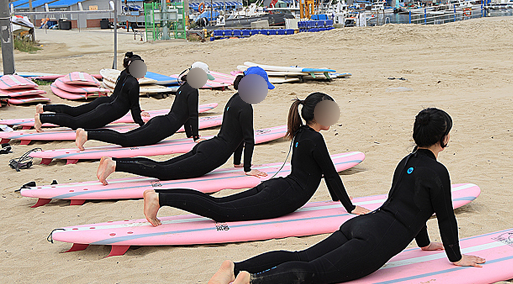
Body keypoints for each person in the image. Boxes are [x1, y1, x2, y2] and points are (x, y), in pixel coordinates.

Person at [205, 108, 485, 284]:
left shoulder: (407, 162)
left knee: (302, 256)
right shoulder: (437, 172)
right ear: (444, 138)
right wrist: (456, 257)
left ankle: (235, 267)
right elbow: (445, 218)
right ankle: (250, 283)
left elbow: (409, 205)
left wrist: (424, 244)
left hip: (362, 224)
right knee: (313, 272)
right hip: (373, 243)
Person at [141, 92, 370, 226]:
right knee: (220, 211)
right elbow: (329, 172)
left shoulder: (302, 133)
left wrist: (334, 199)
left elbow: (322, 172)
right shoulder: (314, 140)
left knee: (219, 203)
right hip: (283, 196)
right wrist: (349, 207)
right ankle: (160, 199)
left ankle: (160, 196)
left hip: (278, 187)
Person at [95, 66, 274, 184]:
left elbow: (236, 135)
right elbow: (248, 139)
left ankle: (115, 163)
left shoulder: (235, 100)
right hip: (211, 156)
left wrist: (237, 164)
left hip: (209, 146)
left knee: (163, 166)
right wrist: (248, 169)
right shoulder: (246, 106)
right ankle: (115, 165)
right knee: (163, 171)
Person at [74, 62, 215, 151]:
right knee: (125, 140)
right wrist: (196, 137)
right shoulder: (193, 90)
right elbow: (192, 115)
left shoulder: (185, 87)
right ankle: (87, 134)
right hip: (161, 128)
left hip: (160, 122)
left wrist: (190, 135)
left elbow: (185, 115)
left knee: (125, 137)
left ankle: (86, 134)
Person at [34, 53, 146, 132]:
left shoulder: (124, 74)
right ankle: (42, 118)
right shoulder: (133, 84)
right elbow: (134, 106)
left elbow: (129, 100)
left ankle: (43, 108)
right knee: (75, 123)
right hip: (107, 112)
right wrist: (141, 125)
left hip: (105, 102)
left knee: (75, 111)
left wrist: (140, 112)